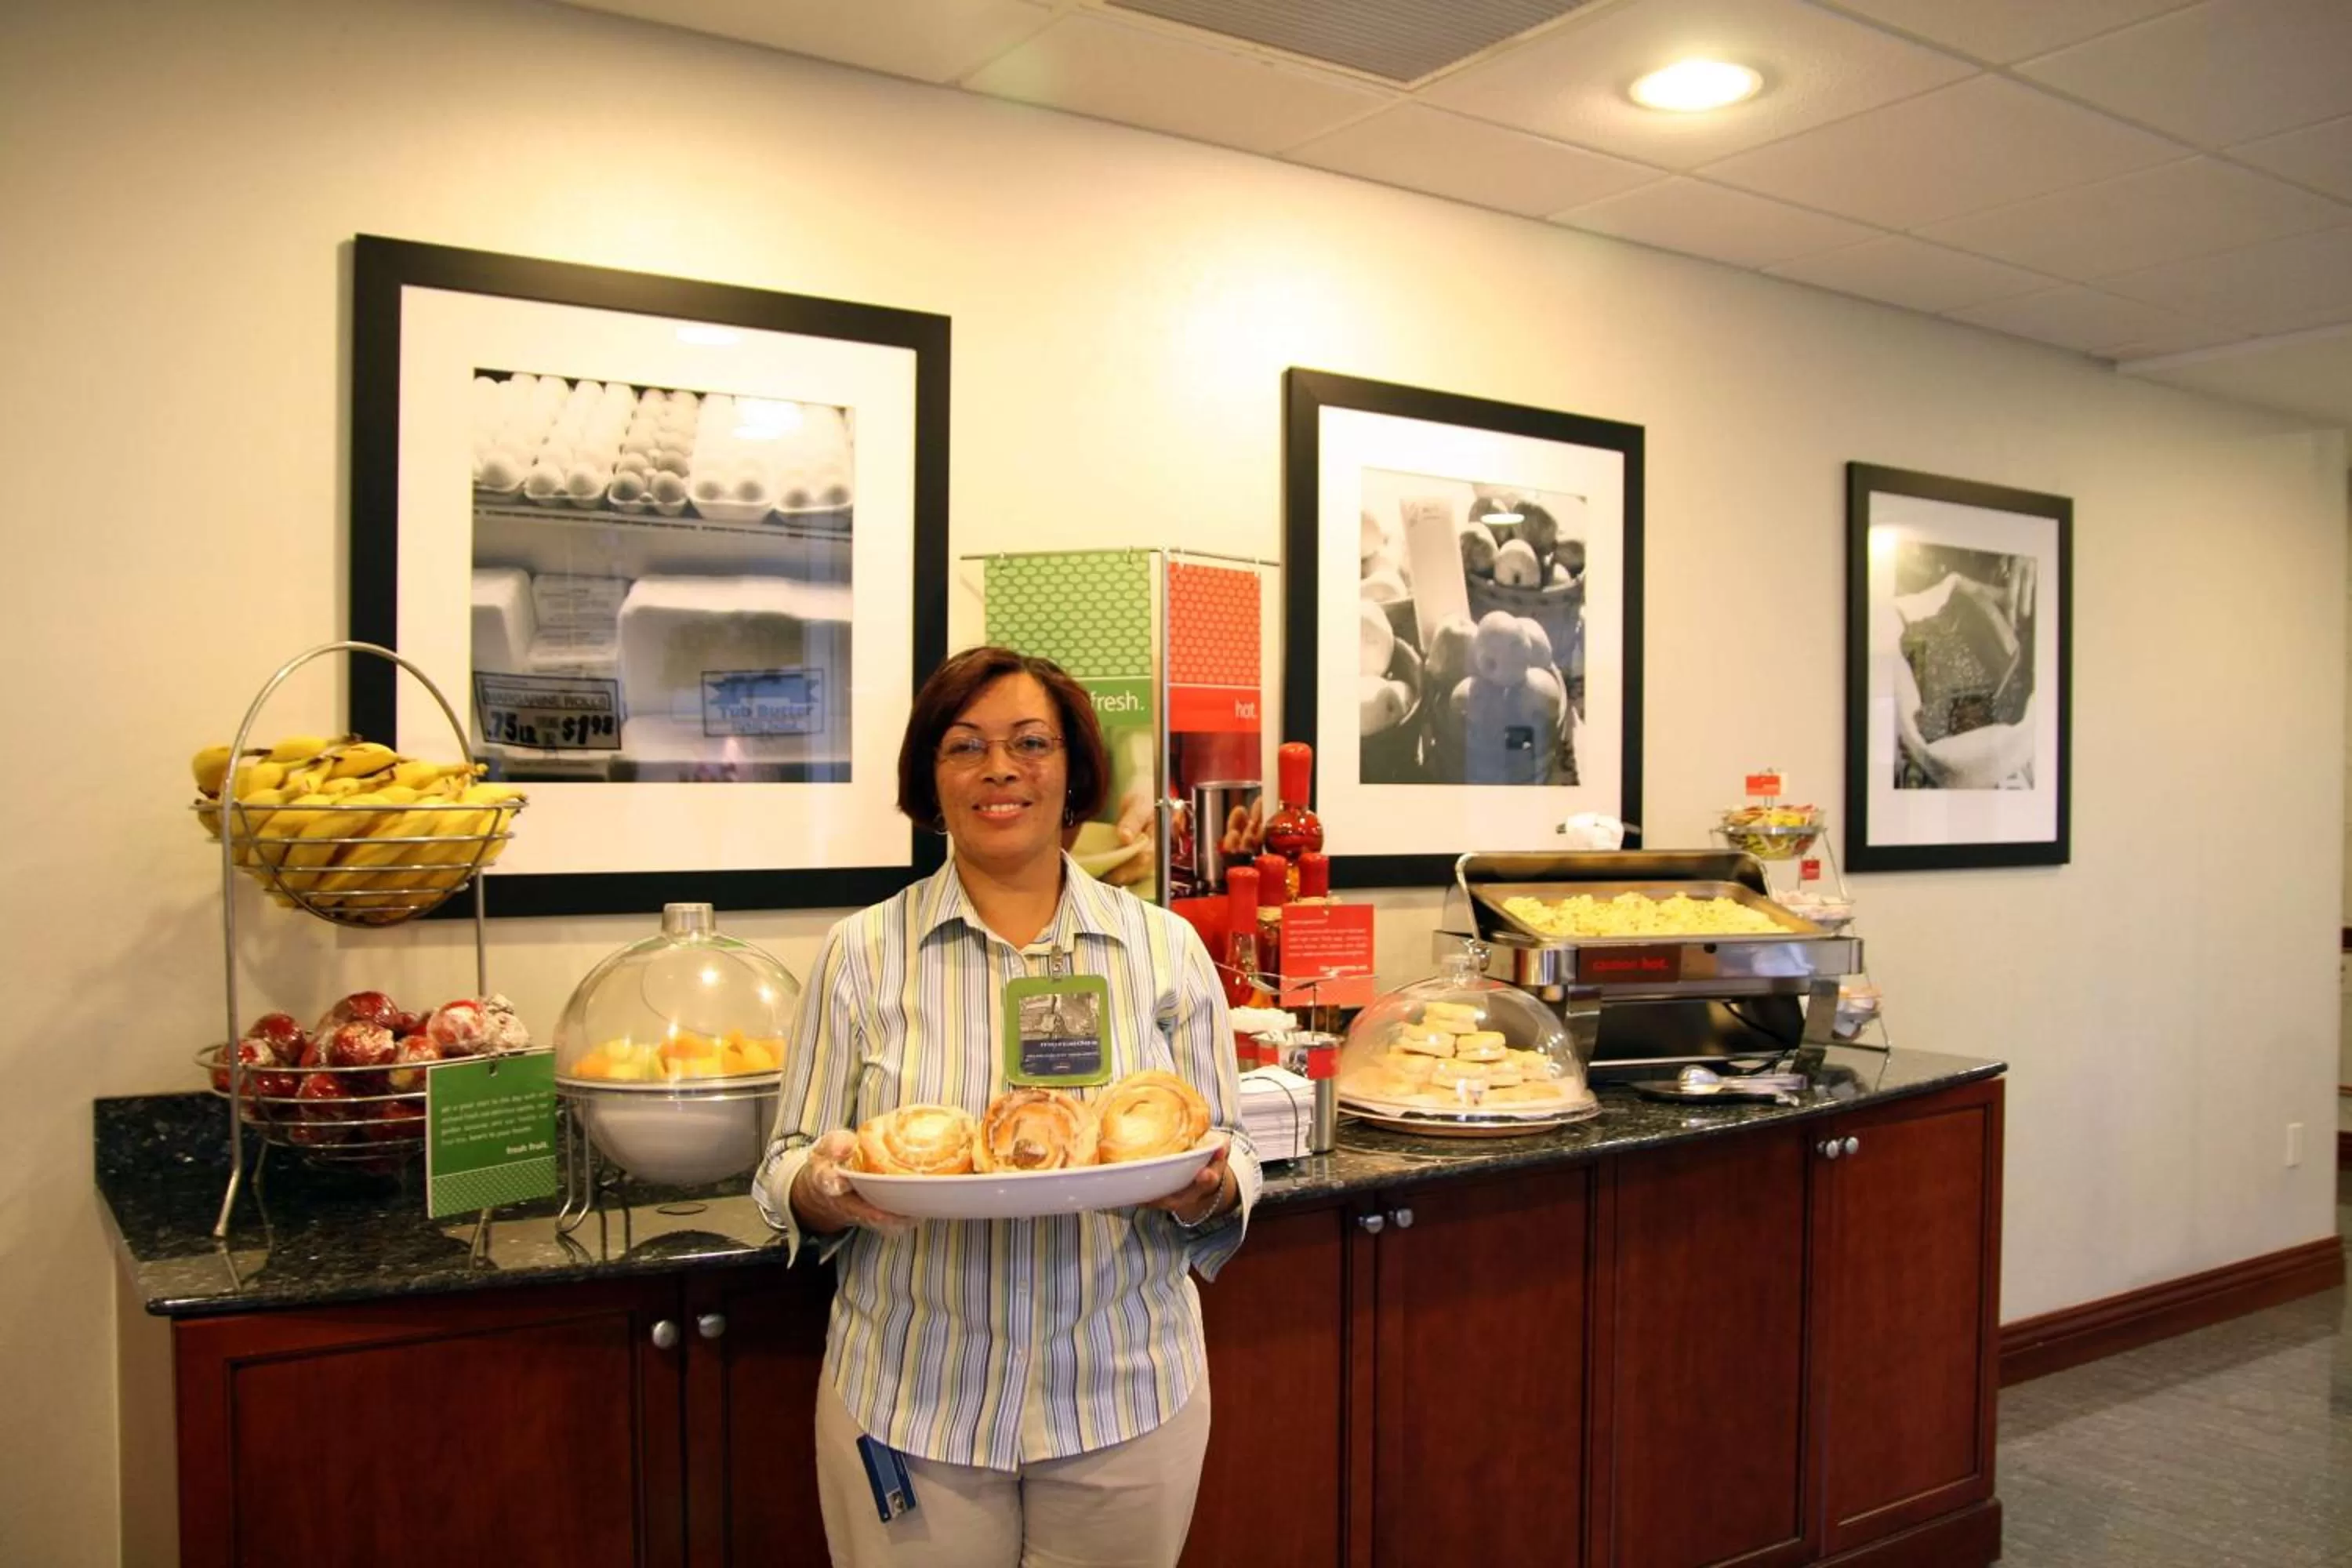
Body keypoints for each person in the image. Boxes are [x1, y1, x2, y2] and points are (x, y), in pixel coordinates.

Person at [754, 645, 1258, 1568]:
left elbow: (1225, 1139)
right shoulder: (861, 954)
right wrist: (824, 1186)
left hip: (1125, 1394)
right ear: (929, 776)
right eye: (964, 746)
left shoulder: (1162, 947)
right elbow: (784, 1157)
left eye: (1031, 742)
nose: (1000, 769)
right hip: (913, 1398)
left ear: (1072, 771)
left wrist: (1205, 1188)